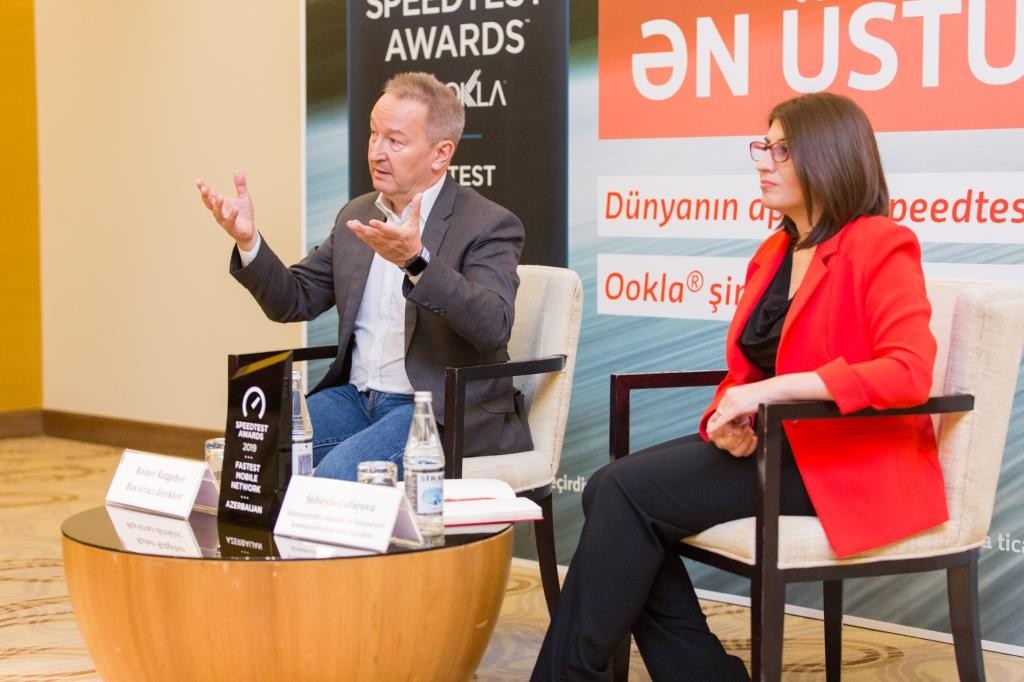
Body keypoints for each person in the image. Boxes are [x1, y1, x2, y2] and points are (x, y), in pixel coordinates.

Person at [531, 92, 946, 681]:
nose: (763, 162)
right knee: (606, 488)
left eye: (782, 150)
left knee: (622, 492)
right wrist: (725, 422)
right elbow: (745, 374)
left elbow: (909, 372)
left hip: (845, 459)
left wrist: (774, 393)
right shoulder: (775, 251)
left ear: (829, 156)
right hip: (775, 447)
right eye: (763, 146)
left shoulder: (880, 242)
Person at [196, 71, 532, 480]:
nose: (376, 152)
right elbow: (294, 299)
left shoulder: (488, 223)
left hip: (436, 410)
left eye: (395, 141)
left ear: (441, 153)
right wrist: (249, 242)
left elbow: (493, 325)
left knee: (334, 477)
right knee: (249, 456)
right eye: (374, 135)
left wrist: (417, 263)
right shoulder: (357, 215)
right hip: (354, 399)